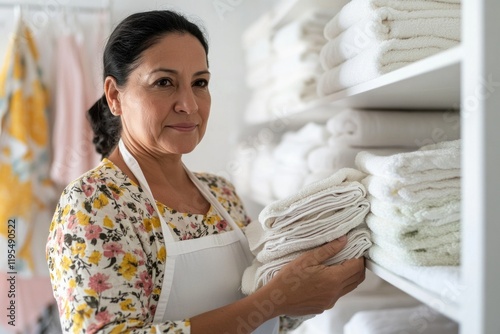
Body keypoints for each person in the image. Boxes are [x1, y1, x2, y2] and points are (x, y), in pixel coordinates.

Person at [46, 10, 366, 334]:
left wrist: (315, 287)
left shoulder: (221, 194)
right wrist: (275, 300)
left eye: (200, 83)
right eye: (164, 82)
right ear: (115, 96)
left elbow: (265, 313)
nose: (189, 104)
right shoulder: (94, 204)